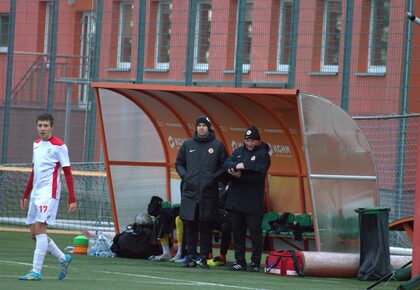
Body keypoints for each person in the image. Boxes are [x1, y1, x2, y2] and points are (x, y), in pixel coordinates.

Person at [19, 113, 77, 281]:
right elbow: (34, 171)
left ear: (52, 127)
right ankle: (63, 258)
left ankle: (36, 271)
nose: (42, 128)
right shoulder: (36, 145)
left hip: (49, 195)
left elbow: (68, 174)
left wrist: (72, 198)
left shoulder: (60, 146)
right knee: (33, 234)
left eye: (45, 125)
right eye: (40, 125)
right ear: (36, 127)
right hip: (36, 194)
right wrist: (26, 194)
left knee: (41, 230)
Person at [175, 116, 228, 269]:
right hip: (190, 193)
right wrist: (185, 176)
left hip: (208, 193)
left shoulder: (217, 146)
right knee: (190, 227)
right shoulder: (187, 145)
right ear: (196, 128)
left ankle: (204, 258)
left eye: (204, 125)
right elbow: (179, 163)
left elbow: (224, 166)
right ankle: (190, 257)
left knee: (205, 227)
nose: (201, 128)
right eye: (199, 126)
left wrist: (213, 178)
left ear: (209, 127)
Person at [223, 125, 271, 272]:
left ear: (258, 141)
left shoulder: (263, 154)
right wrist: (236, 165)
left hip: (252, 202)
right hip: (236, 201)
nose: (249, 143)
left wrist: (241, 174)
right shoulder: (239, 151)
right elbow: (227, 163)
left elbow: (258, 174)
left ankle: (255, 262)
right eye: (247, 140)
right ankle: (240, 261)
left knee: (255, 233)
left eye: (252, 141)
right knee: (237, 233)